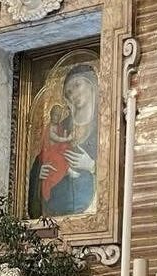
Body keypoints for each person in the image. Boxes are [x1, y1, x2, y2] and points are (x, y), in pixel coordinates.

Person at [28, 64, 99, 217]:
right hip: (54, 206)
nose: (73, 94)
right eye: (68, 92)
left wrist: (92, 166)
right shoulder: (60, 127)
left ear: (92, 84)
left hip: (91, 209)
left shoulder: (105, 123)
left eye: (77, 85)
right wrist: (38, 172)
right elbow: (42, 158)